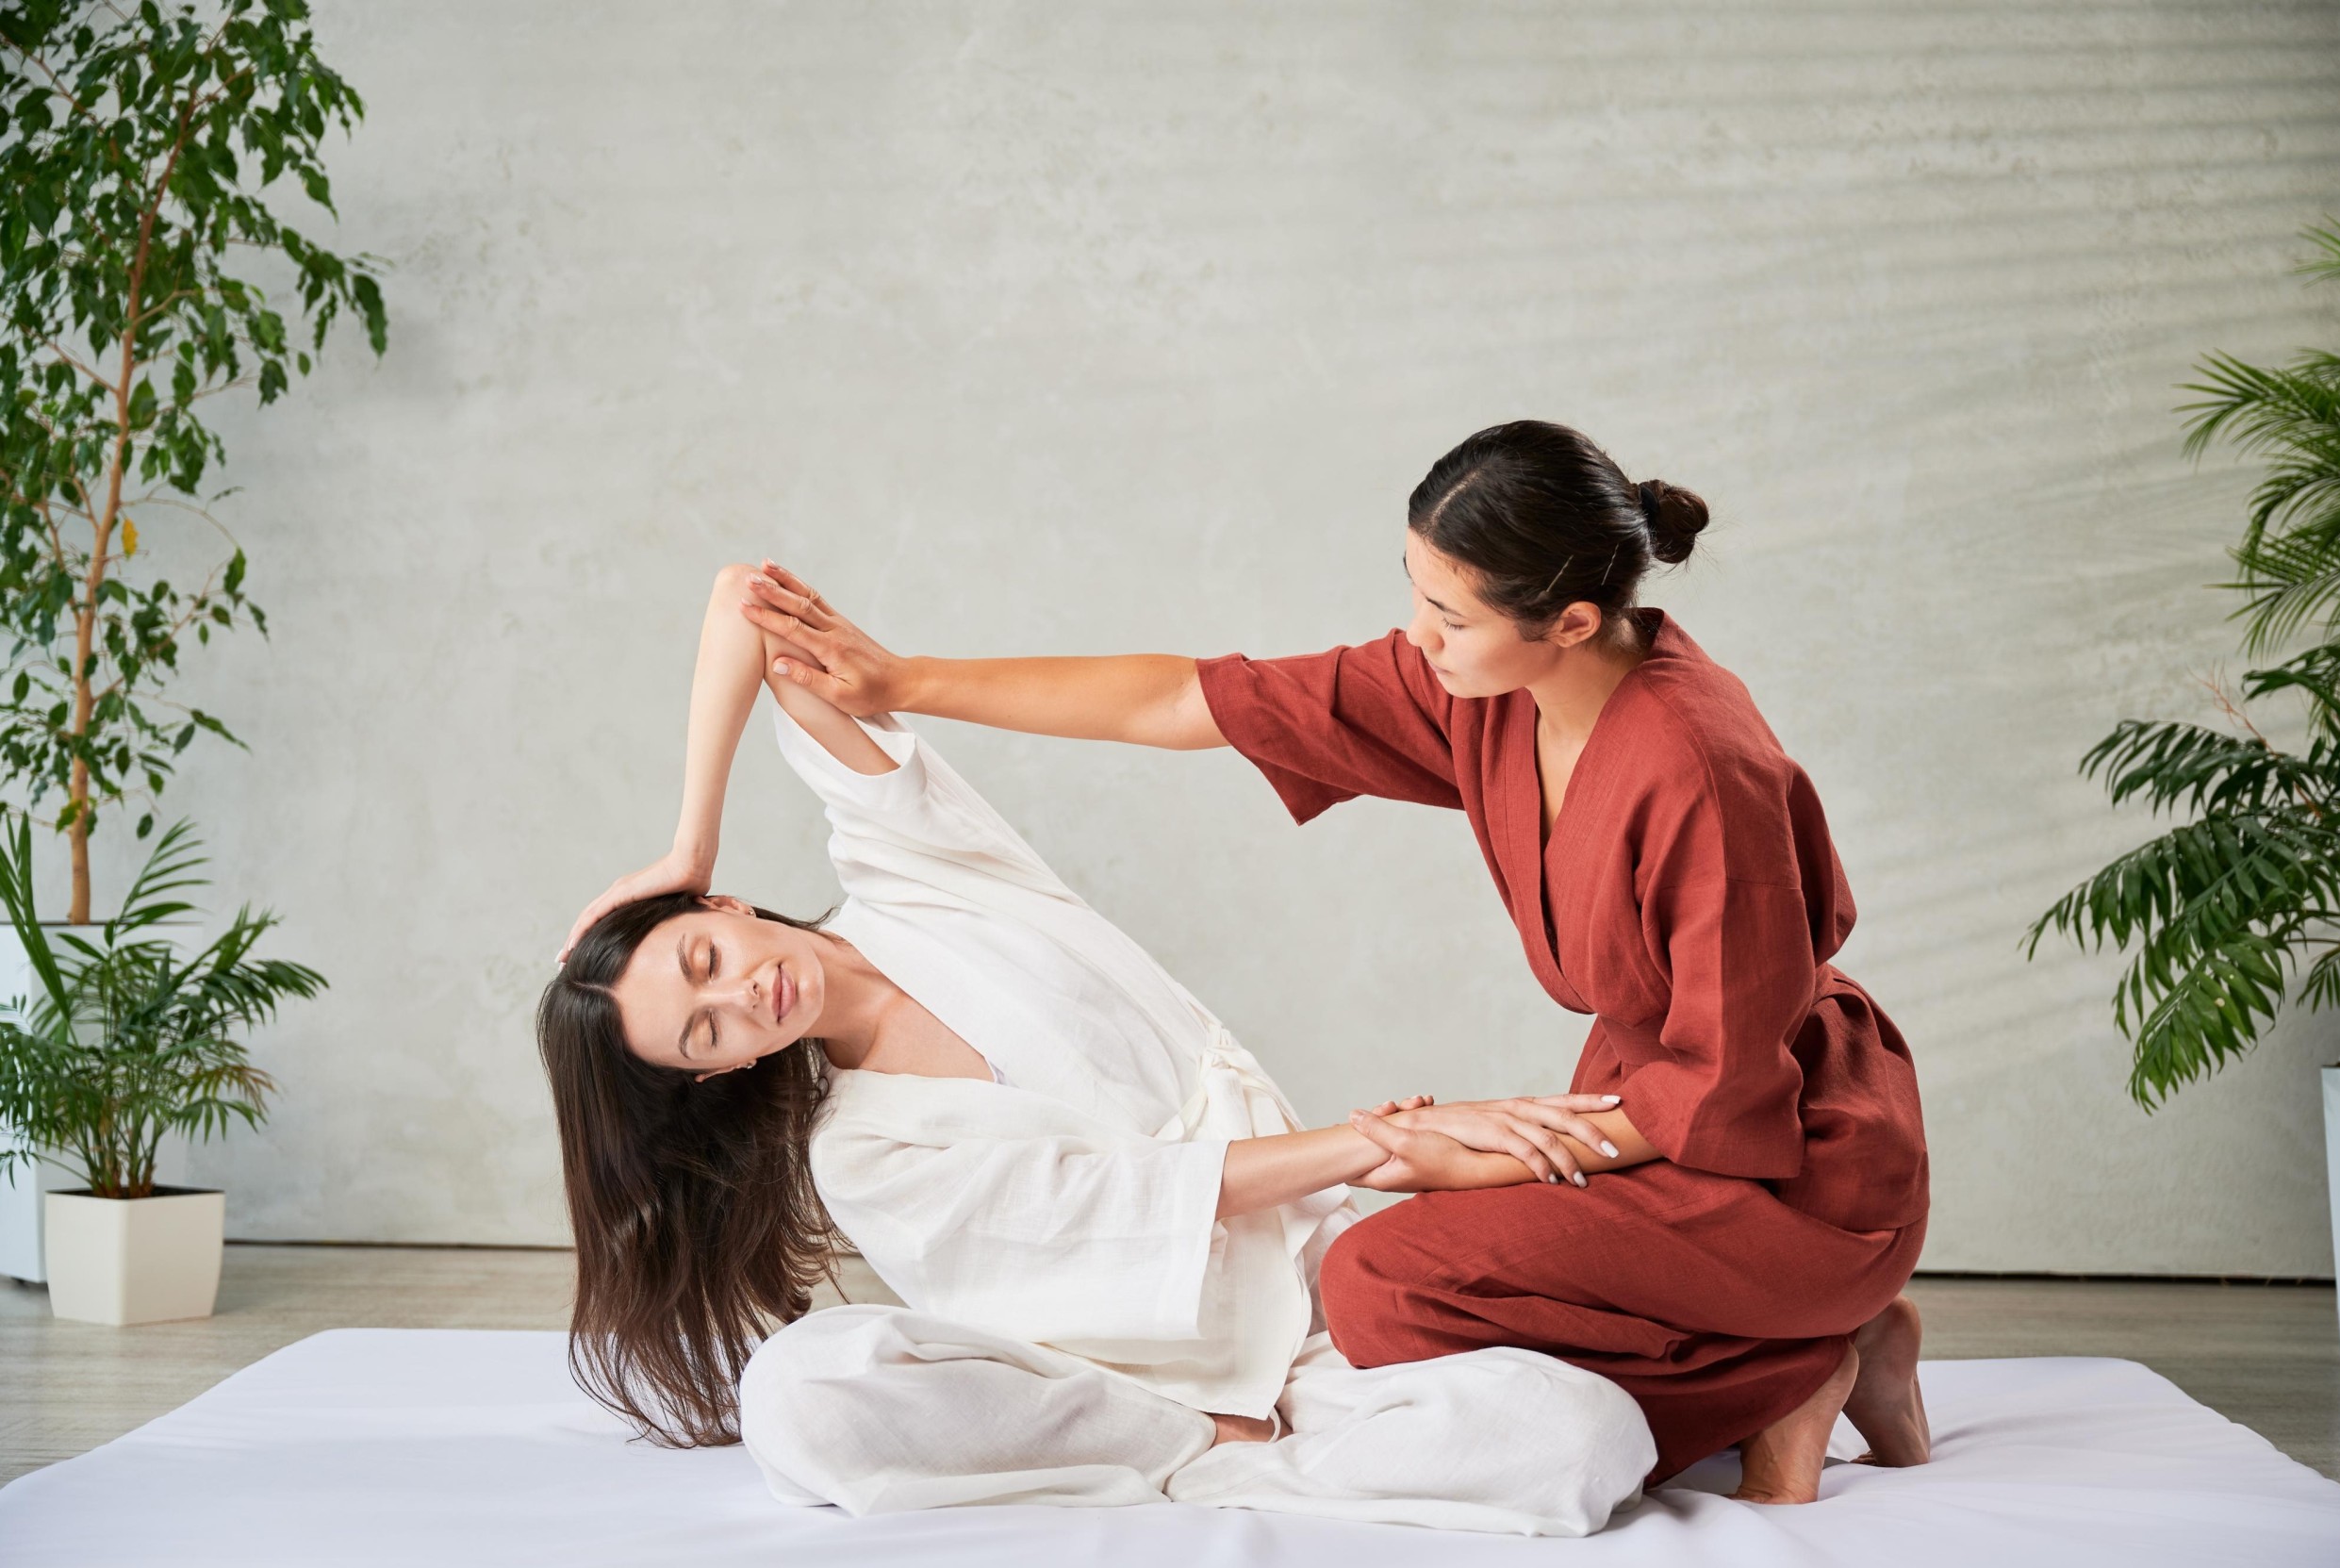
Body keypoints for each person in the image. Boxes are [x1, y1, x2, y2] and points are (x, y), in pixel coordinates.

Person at [727, 419, 1935, 1505]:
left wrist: (1475, 1157)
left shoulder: (1700, 772)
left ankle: (1796, 1363)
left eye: (1449, 616)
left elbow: (1729, 1084)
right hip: (1642, 1113)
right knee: (1398, 1293)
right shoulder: (1487, 686)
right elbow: (1194, 700)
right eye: (1416, 594)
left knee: (1384, 1291)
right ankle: (1812, 1350)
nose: (1419, 636)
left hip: (1783, 1160)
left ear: (1569, 621)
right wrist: (904, 681)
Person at [537, 563, 1656, 1535]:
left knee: (1583, 1437)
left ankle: (1247, 1450)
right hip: (1111, 1384)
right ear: (719, 1070)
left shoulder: (905, 868)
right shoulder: (862, 1149)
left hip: (1307, 1305)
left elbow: (747, 600)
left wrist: (687, 838)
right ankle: (1193, 1446)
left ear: (721, 904)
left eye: (703, 957)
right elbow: (1127, 1200)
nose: (740, 994)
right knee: (802, 1393)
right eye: (707, 1030)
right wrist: (1378, 1141)